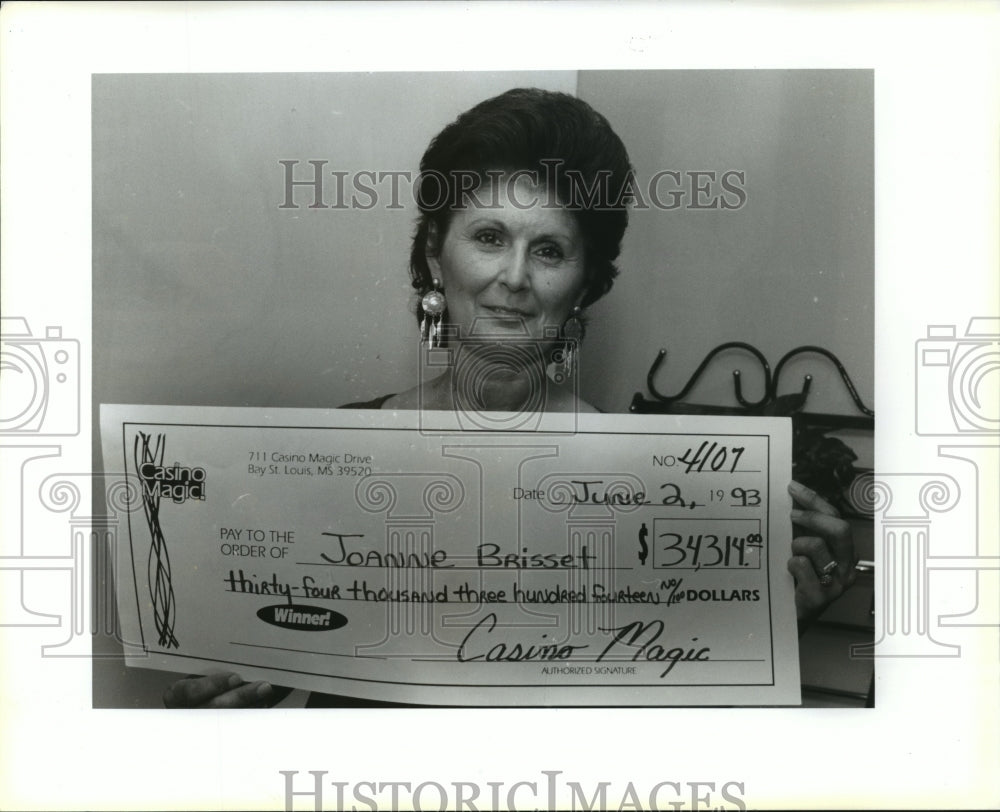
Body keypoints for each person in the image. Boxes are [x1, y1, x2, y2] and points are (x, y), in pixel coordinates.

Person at [164, 88, 857, 708]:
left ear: (584, 284)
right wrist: (234, 686)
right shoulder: (338, 450)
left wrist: (763, 627)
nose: (514, 277)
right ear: (437, 250)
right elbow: (301, 642)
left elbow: (660, 707)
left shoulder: (649, 481)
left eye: (550, 250)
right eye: (490, 237)